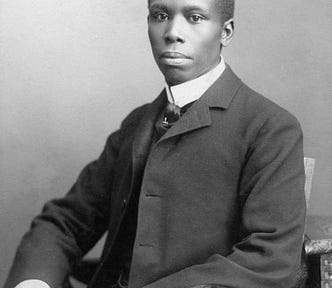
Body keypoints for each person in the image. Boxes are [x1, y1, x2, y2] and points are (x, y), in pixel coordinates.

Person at [5, 0, 307, 287]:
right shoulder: (138, 123)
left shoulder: (269, 127)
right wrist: (34, 282)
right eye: (160, 15)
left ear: (225, 32)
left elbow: (269, 259)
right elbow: (66, 221)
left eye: (195, 17)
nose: (173, 33)